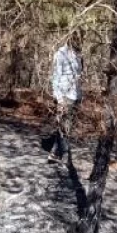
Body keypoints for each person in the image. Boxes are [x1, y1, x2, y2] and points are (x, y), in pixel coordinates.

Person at [49, 31, 83, 164]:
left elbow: (80, 75)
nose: (78, 40)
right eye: (76, 37)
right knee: (64, 125)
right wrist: (59, 97)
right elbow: (56, 76)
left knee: (68, 126)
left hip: (76, 95)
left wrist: (81, 94)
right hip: (64, 95)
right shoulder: (61, 53)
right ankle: (64, 154)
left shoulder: (79, 54)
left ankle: (54, 153)